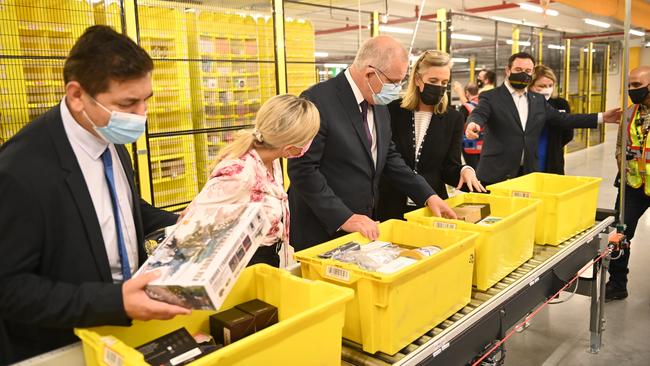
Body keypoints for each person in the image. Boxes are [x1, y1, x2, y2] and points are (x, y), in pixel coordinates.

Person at [0, 25, 191, 364]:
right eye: (128, 103)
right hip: (62, 344)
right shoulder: (20, 171)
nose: (140, 115)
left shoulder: (109, 137)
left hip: (125, 332)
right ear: (77, 95)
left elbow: (119, 207)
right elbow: (11, 289)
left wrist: (180, 220)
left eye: (146, 99)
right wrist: (113, 301)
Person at [287, 36, 456, 250]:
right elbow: (302, 169)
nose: (397, 89)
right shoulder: (318, 100)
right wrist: (344, 217)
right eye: (394, 82)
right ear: (369, 73)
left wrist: (427, 195)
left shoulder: (376, 100)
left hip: (364, 226)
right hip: (324, 229)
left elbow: (389, 156)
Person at [180, 94, 319, 267]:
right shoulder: (239, 173)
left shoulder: (271, 161)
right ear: (290, 148)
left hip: (268, 260)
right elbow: (190, 228)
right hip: (243, 267)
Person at [465, 52, 621, 185]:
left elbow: (564, 119)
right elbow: (480, 113)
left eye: (527, 70)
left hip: (527, 172)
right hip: (496, 172)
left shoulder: (537, 100)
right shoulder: (491, 96)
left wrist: (602, 117)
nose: (523, 73)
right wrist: (473, 123)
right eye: (518, 69)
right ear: (508, 70)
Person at [377, 50, 485, 221]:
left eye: (444, 82)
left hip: (432, 206)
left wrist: (465, 170)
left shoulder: (453, 118)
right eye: (433, 81)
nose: (439, 87)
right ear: (418, 79)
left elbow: (449, 167)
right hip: (390, 202)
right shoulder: (390, 111)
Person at [607, 65, 650, 301]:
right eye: (630, 85)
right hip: (633, 185)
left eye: (637, 85)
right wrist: (622, 171)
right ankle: (617, 284)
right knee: (619, 234)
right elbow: (619, 148)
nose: (631, 90)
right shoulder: (629, 114)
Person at [529, 65, 574, 174]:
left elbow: (568, 134)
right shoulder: (523, 103)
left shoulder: (561, 104)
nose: (547, 89)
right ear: (530, 86)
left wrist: (555, 145)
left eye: (550, 85)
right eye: (542, 86)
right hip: (526, 162)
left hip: (552, 159)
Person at [459, 82, 482, 169]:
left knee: (473, 170)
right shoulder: (484, 105)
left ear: (467, 93)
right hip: (484, 145)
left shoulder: (465, 107)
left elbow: (460, 126)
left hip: (469, 145)